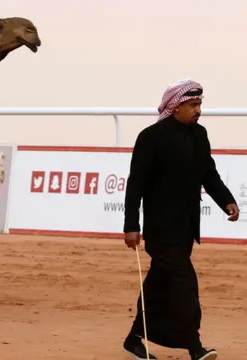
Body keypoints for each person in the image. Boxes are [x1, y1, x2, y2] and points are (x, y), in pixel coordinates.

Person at [122, 79, 239, 360]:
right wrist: (131, 225)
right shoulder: (151, 137)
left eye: (200, 104)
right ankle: (194, 346)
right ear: (175, 108)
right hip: (161, 229)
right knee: (184, 283)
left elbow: (208, 174)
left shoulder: (200, 135)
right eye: (192, 105)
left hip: (187, 228)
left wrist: (227, 201)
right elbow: (135, 183)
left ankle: (135, 338)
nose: (198, 110)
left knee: (159, 285)